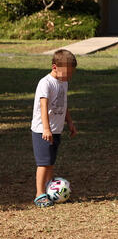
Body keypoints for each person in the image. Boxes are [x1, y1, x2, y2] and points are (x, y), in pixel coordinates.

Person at [31, 50, 77, 207]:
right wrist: (46, 128)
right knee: (43, 163)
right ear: (54, 67)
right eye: (67, 73)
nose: (68, 77)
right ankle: (39, 194)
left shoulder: (63, 82)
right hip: (42, 131)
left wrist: (69, 122)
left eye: (71, 74)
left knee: (50, 162)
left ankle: (50, 190)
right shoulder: (46, 83)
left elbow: (64, 105)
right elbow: (43, 106)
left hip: (56, 130)